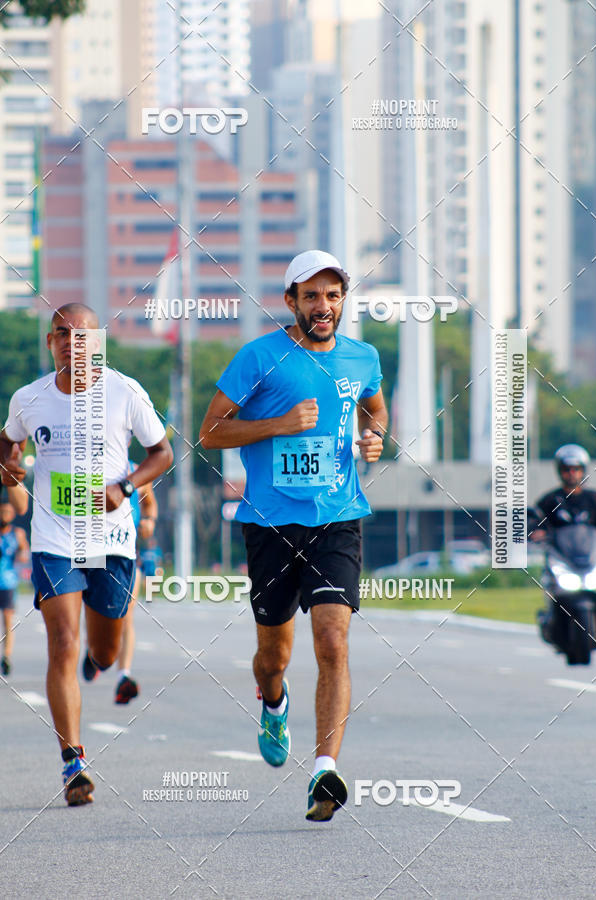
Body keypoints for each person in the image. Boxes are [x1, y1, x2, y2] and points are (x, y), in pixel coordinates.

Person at [199, 250, 388, 822]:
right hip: (270, 525)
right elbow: (209, 431)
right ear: (290, 302)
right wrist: (278, 424)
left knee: (332, 642)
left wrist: (375, 439)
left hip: (337, 517)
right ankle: (273, 702)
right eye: (311, 296)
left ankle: (324, 769)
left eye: (333, 296)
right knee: (272, 656)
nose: (323, 306)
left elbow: (374, 412)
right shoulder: (259, 358)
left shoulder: (364, 357)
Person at [0, 303, 173, 805]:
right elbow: (6, 445)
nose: (72, 344)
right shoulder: (29, 399)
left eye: (82, 336)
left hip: (113, 540)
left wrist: (127, 486)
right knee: (63, 639)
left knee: (102, 650)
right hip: (55, 540)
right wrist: (9, 467)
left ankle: (98, 663)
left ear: (97, 343)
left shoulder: (124, 392)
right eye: (61, 335)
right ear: (49, 343)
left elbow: (161, 453)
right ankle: (73, 761)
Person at [530, 444, 596, 639]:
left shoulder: (595, 500)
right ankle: (551, 619)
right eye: (567, 469)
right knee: (552, 584)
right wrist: (535, 531)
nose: (572, 474)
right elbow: (534, 520)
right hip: (562, 560)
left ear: (583, 470)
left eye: (576, 469)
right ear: (559, 471)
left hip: (590, 558)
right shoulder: (550, 501)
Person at [113, 472, 158, 704]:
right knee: (94, 611)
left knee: (127, 617)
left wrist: (148, 520)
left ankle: (124, 674)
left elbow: (150, 504)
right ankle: (95, 654)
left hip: (129, 552)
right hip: (94, 552)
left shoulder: (138, 471)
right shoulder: (89, 463)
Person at [0, 480, 30, 676]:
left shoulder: (17, 533)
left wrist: (21, 547)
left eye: (8, 512)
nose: (5, 515)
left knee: (8, 620)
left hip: (8, 582)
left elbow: (24, 556)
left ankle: (7, 656)